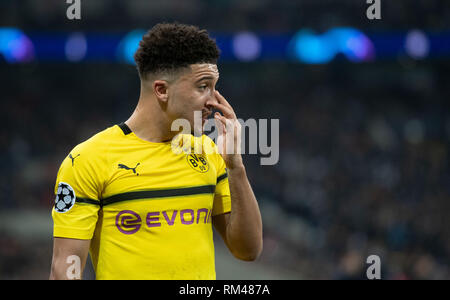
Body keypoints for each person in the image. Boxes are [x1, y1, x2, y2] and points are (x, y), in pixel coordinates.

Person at [49, 23, 263, 280]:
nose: (214, 100)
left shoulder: (209, 151)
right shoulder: (88, 160)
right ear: (161, 90)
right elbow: (65, 269)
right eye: (203, 86)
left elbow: (248, 250)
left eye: (215, 86)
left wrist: (236, 168)